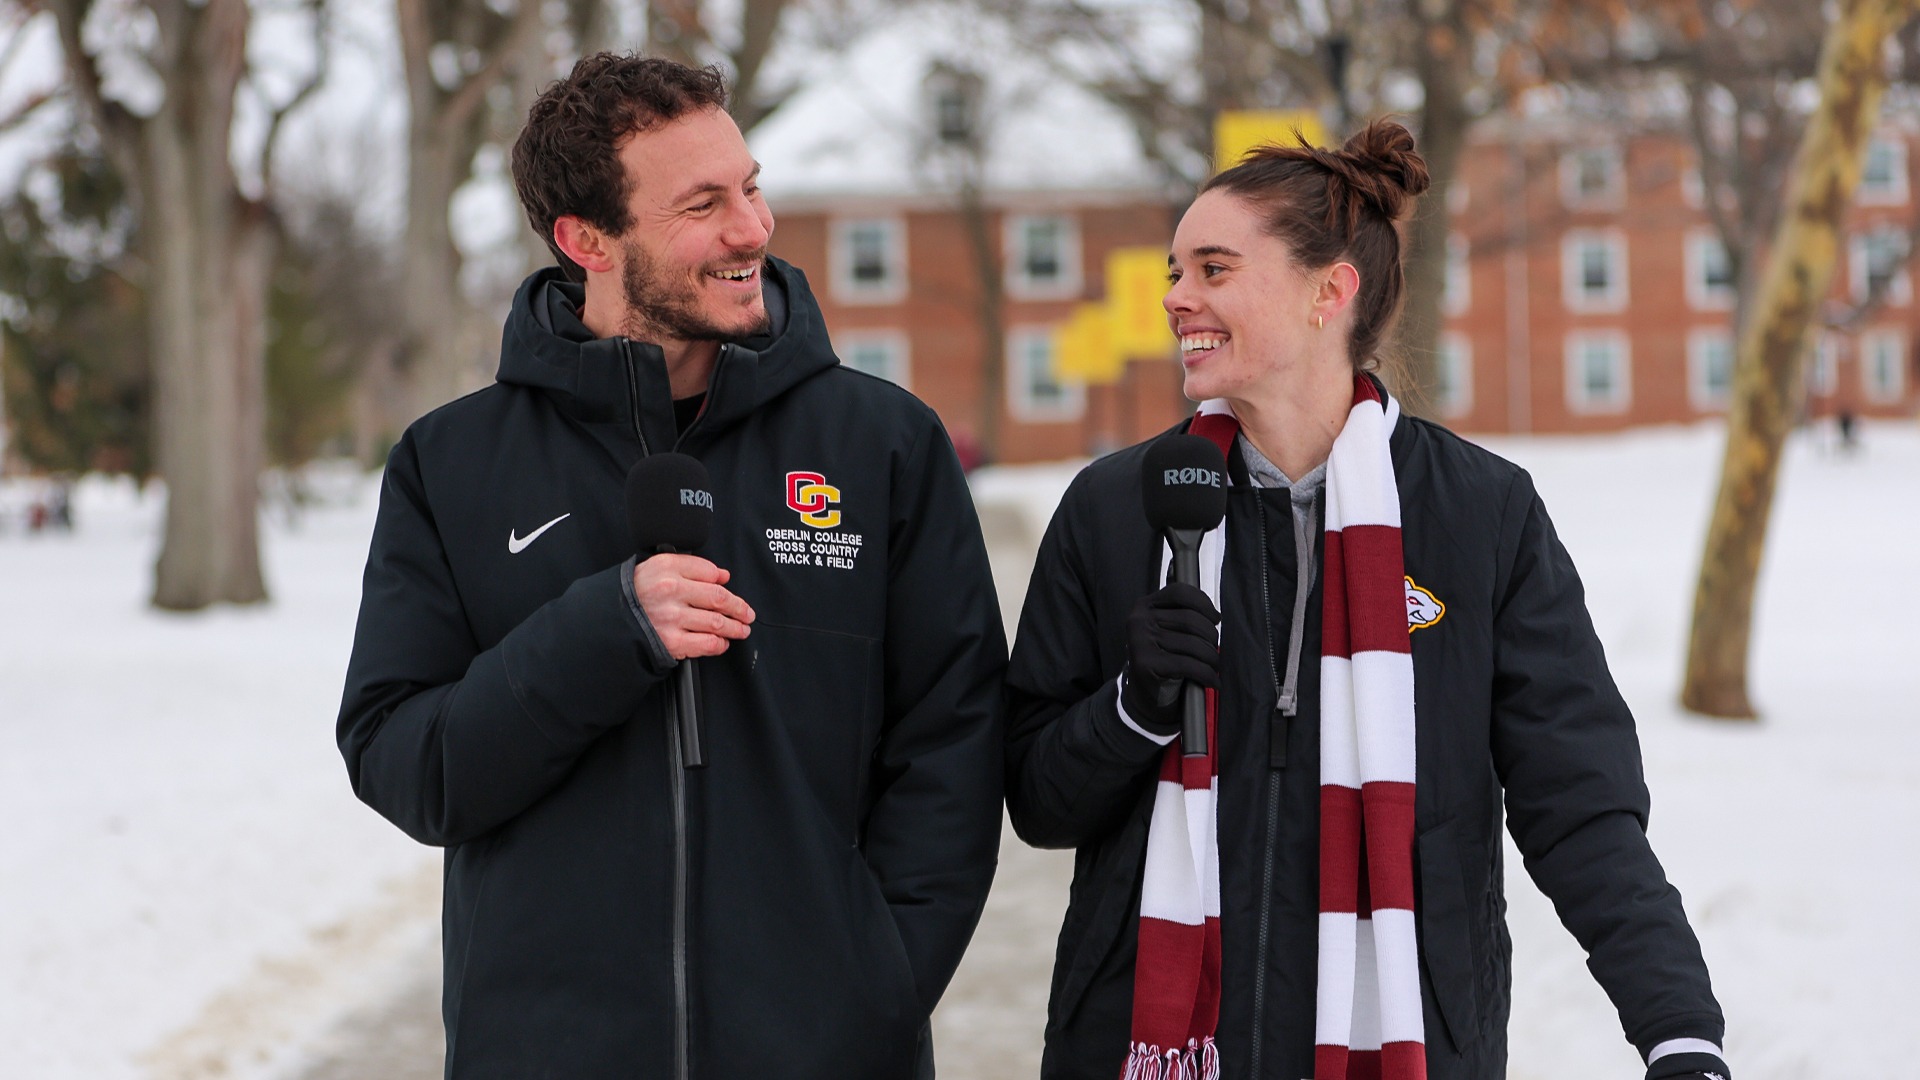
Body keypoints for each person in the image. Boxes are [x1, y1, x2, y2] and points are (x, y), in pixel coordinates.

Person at [1004, 120, 1729, 1080]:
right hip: (1146, 1042)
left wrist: (1678, 1028)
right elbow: (1036, 798)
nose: (1178, 299)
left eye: (1213, 269)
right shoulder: (1115, 510)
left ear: (1328, 292)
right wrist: (1133, 710)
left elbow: (1580, 806)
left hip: (1406, 1044)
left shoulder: (1482, 516)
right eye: (1174, 274)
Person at [337, 54, 1006, 1079]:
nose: (753, 229)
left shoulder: (886, 446)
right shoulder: (452, 462)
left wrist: (874, 990)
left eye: (750, 186)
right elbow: (406, 764)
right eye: (704, 204)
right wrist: (600, 632)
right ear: (586, 241)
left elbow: (953, 748)